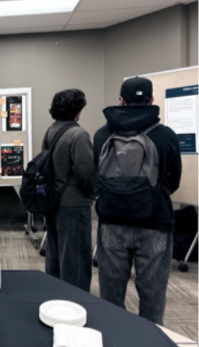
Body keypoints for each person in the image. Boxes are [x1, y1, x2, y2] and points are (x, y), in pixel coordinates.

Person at [93, 77, 181, 325]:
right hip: (155, 223)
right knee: (152, 297)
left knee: (111, 297)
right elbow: (174, 181)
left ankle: (113, 339)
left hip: (111, 223)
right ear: (151, 100)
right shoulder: (166, 136)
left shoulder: (102, 135)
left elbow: (95, 175)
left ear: (121, 100)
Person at [44, 89, 97, 292]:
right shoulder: (79, 134)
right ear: (78, 110)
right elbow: (86, 173)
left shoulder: (51, 131)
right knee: (76, 262)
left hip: (53, 202)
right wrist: (95, 191)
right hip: (74, 205)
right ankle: (75, 306)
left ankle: (55, 301)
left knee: (56, 257)